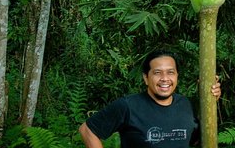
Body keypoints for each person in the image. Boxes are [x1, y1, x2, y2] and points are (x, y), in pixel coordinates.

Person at [79, 50, 221, 148]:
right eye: (157, 73)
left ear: (177, 76)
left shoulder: (187, 104)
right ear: (146, 78)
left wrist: (210, 96)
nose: (165, 78)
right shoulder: (128, 106)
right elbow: (87, 130)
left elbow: (196, 140)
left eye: (170, 72)